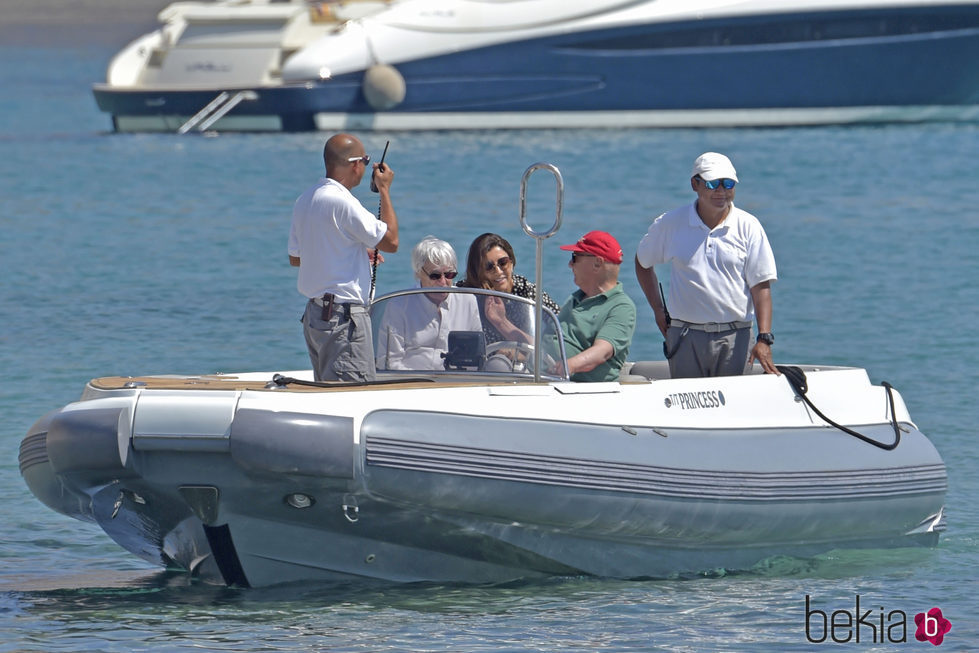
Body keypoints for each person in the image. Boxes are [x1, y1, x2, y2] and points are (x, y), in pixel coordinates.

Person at [635, 152, 778, 378]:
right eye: (713, 184)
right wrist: (657, 310)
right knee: (686, 411)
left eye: (728, 184)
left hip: (737, 338)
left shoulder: (749, 226)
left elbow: (761, 286)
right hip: (684, 336)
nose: (721, 191)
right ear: (695, 184)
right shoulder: (670, 223)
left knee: (733, 411)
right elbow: (643, 263)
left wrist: (764, 338)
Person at [288, 133, 398, 382]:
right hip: (342, 319)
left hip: (316, 315)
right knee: (352, 397)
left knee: (329, 397)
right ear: (356, 164)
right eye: (366, 160)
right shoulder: (344, 202)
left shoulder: (305, 199)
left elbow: (297, 258)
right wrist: (384, 191)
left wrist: (352, 250)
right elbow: (391, 241)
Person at [375, 237, 481, 370]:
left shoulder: (468, 301)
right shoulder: (398, 306)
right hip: (413, 384)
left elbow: (476, 356)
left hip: (458, 382)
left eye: (449, 275)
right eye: (435, 276)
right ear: (418, 273)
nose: (443, 282)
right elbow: (390, 362)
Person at [555, 231, 636, 382]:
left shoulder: (621, 307)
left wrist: (567, 366)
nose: (570, 264)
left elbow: (601, 352)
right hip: (549, 379)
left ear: (597, 264)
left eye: (575, 258)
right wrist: (504, 324)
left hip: (581, 390)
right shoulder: (574, 299)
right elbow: (546, 342)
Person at [457, 232, 559, 344]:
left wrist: (501, 322)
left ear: (512, 262)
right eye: (489, 267)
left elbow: (561, 327)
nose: (498, 271)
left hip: (523, 358)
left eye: (503, 262)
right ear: (477, 272)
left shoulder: (527, 291)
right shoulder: (466, 293)